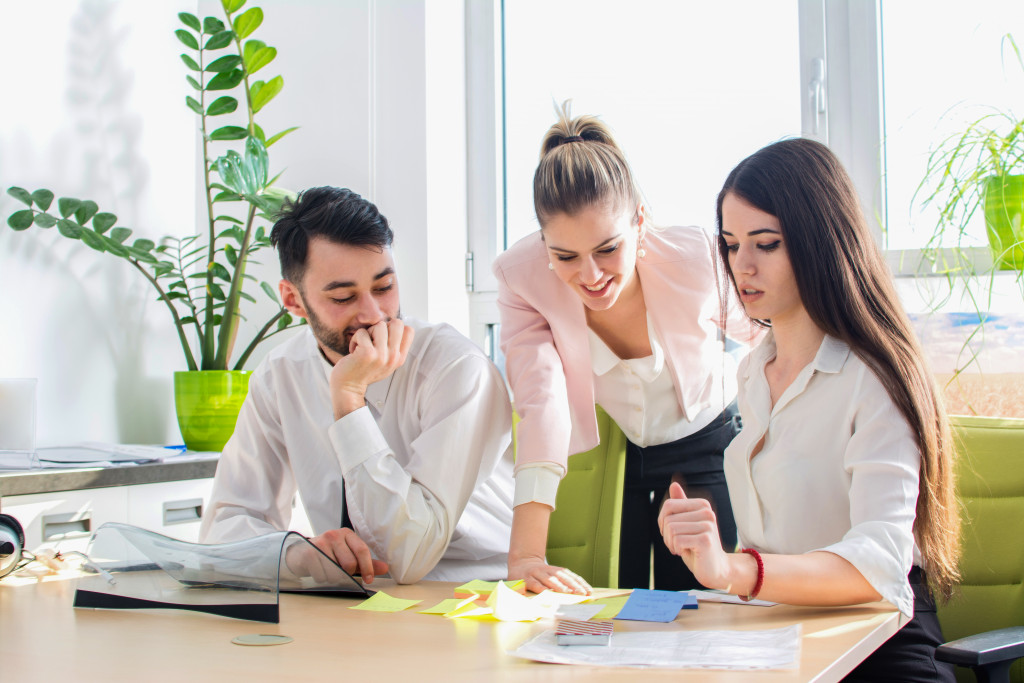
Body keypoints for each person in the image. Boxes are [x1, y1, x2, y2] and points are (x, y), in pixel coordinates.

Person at [659, 138, 960, 681]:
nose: (741, 266)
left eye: (765, 244)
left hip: (877, 643)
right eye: (729, 245)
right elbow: (774, 540)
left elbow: (879, 561)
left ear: (818, 242)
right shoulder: (751, 373)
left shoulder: (875, 377)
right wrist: (710, 549)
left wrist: (733, 569)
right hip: (776, 635)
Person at [492, 104, 761, 595]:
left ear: (639, 221)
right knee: (626, 609)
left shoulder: (693, 258)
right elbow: (540, 400)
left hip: (710, 441)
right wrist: (526, 555)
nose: (590, 276)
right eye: (565, 256)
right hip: (626, 453)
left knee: (710, 604)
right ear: (542, 243)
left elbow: (770, 335)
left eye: (608, 249)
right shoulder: (522, 277)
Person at [199, 186, 515, 585]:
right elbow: (221, 530)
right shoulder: (280, 374)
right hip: (359, 603)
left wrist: (349, 401)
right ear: (293, 300)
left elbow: (408, 557)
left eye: (384, 288)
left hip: (473, 594)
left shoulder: (456, 368)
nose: (373, 314)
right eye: (344, 296)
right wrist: (297, 554)